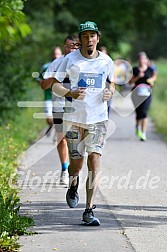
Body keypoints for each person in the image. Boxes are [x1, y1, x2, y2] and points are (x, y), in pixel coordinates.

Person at [51, 21, 115, 226]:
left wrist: (110, 91)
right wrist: (70, 92)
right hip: (73, 119)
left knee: (95, 159)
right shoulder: (69, 60)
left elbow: (111, 82)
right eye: (85, 36)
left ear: (98, 37)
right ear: (80, 39)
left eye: (92, 36)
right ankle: (73, 182)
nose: (89, 40)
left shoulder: (106, 61)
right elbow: (55, 86)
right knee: (76, 164)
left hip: (98, 119)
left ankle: (89, 210)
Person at [40, 35, 80, 185]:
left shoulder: (82, 63)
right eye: (70, 46)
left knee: (75, 140)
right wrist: (54, 77)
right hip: (59, 105)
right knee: (61, 139)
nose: (72, 49)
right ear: (65, 47)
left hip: (77, 107)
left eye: (76, 46)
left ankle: (74, 170)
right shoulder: (56, 63)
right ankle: (64, 169)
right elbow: (44, 85)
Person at [129, 51, 157, 141]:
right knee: (139, 113)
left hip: (147, 94)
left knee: (144, 113)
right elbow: (130, 82)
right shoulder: (135, 69)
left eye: (143, 59)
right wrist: (138, 77)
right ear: (138, 60)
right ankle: (137, 127)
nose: (142, 61)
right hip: (136, 94)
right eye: (140, 59)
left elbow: (154, 76)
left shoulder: (150, 69)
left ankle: (144, 133)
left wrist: (151, 80)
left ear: (146, 60)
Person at [37, 46, 62, 136]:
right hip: (49, 96)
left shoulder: (65, 66)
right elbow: (39, 79)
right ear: (52, 55)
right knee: (49, 119)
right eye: (55, 54)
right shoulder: (46, 67)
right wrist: (44, 83)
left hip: (60, 98)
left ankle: (57, 132)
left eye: (58, 54)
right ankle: (52, 125)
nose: (56, 56)